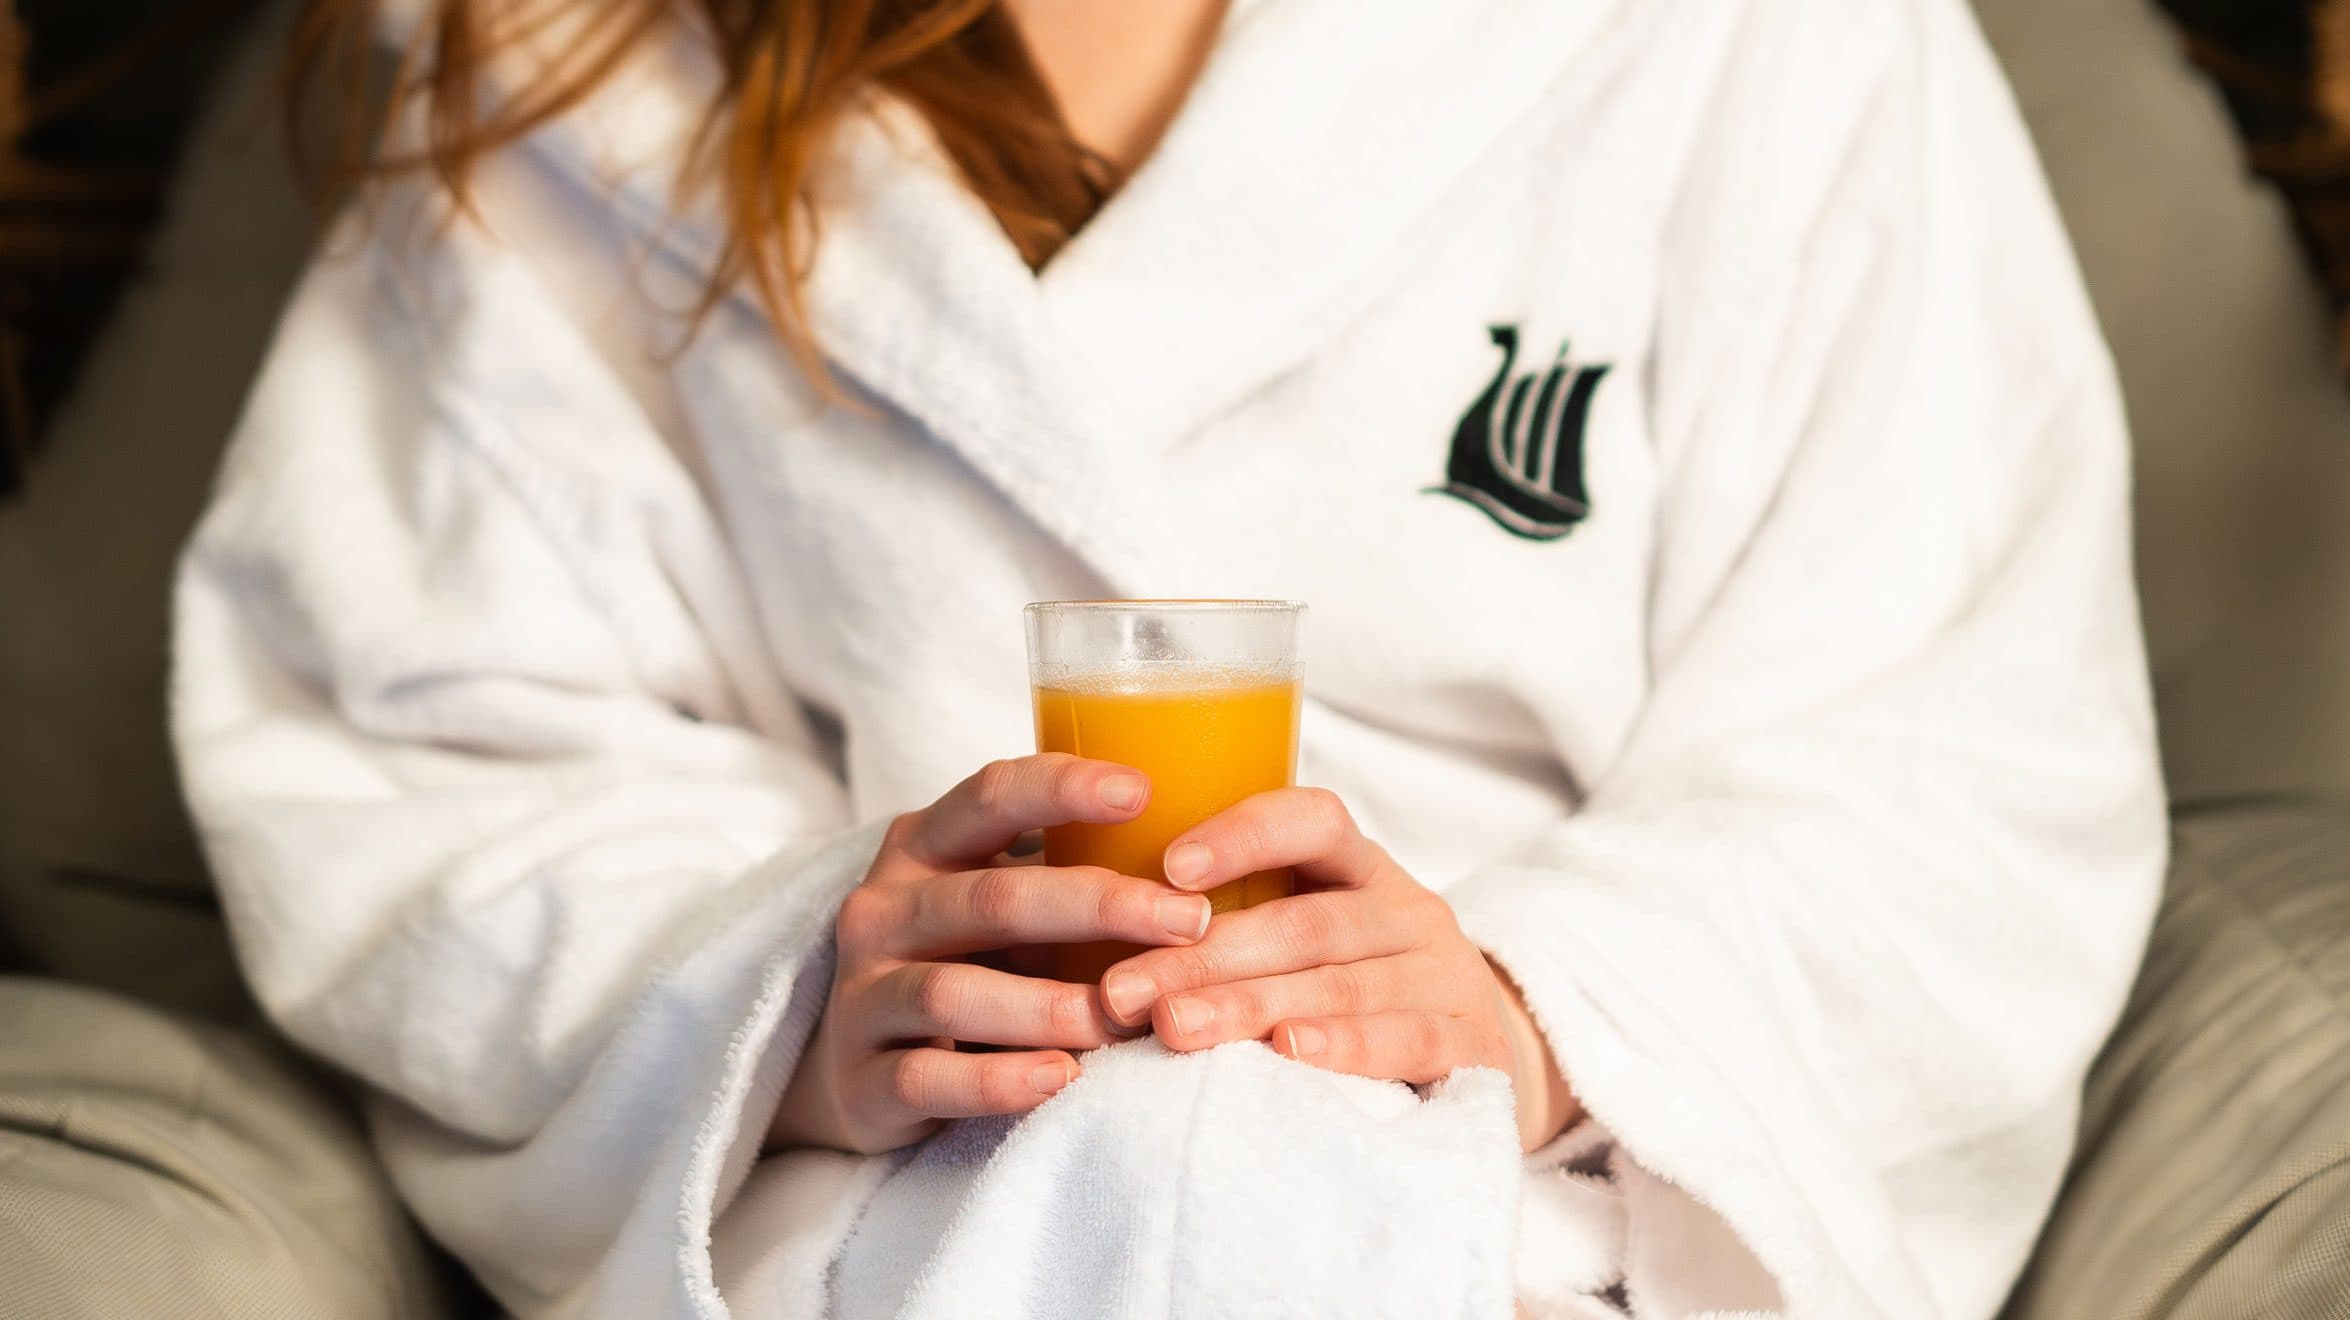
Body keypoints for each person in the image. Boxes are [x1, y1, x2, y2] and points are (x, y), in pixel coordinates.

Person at [170, 0, 2167, 1314]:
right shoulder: (577, 64)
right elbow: (418, 745)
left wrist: (1539, 1010)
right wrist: (792, 993)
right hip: (910, 1220)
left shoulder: (1761, 43)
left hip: (1538, 1212)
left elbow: (1953, 735)